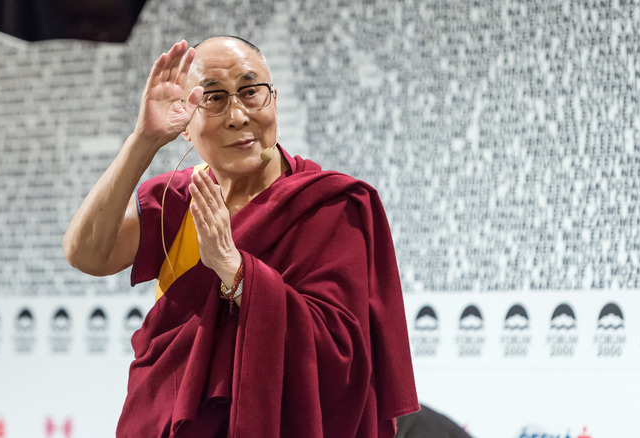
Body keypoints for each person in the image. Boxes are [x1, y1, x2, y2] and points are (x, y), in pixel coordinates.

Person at [63, 36, 418, 437]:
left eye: (251, 92)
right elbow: (86, 254)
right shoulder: (178, 201)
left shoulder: (329, 207)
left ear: (274, 100)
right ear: (185, 120)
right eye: (213, 99)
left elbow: (343, 353)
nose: (237, 115)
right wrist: (143, 140)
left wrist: (236, 273)